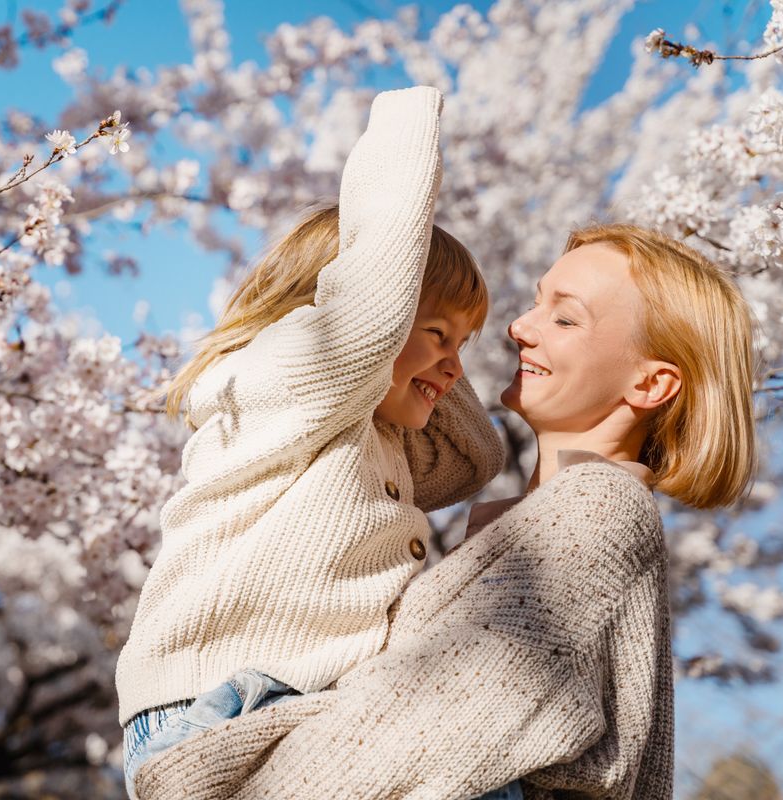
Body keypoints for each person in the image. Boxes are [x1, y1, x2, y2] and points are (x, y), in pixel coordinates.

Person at [130, 223, 757, 800]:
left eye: (564, 318)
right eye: (536, 300)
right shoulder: (544, 521)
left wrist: (207, 772)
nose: (518, 325)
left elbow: (420, 728)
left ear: (649, 385)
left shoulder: (596, 512)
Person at [114, 86, 513, 799]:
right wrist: (407, 121)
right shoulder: (287, 378)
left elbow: (476, 457)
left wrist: (428, 360)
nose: (457, 368)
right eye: (437, 333)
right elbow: (367, 316)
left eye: (465, 344)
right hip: (226, 698)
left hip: (299, 709)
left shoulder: (377, 440)